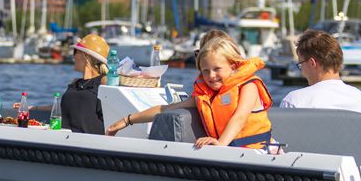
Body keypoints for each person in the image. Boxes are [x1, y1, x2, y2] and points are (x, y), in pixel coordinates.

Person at [108, 30, 276, 151]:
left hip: (260, 150)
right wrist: (127, 120)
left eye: (217, 69)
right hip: (231, 152)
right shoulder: (204, 95)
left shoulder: (248, 86)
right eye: (205, 71)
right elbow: (164, 109)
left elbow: (239, 118)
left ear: (232, 66)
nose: (211, 76)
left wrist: (220, 145)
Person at [280, 30, 361, 140]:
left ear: (312, 63)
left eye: (300, 64)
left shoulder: (294, 101)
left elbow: (281, 143)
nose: (302, 71)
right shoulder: (359, 98)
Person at [16, 34, 109, 134]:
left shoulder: (103, 81)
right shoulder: (75, 83)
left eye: (75, 52)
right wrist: (33, 108)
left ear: (86, 56)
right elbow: (63, 106)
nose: (73, 56)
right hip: (64, 140)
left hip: (89, 143)